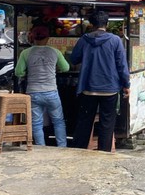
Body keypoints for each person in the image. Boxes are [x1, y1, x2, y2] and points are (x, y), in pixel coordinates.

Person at [70, 10, 130, 152]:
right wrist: (126, 85)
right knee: (107, 124)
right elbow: (122, 65)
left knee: (84, 123)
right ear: (106, 24)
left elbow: (73, 59)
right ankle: (104, 153)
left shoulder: (84, 40)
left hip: (88, 88)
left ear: (91, 24)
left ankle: (78, 152)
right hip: (110, 89)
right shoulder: (115, 40)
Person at [14, 25, 70, 147]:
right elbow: (66, 68)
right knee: (58, 121)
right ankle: (62, 147)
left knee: (36, 123)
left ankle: (41, 148)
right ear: (48, 38)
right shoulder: (55, 51)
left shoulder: (25, 53)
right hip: (51, 92)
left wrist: (27, 72)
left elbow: (18, 72)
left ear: (32, 37)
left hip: (33, 93)